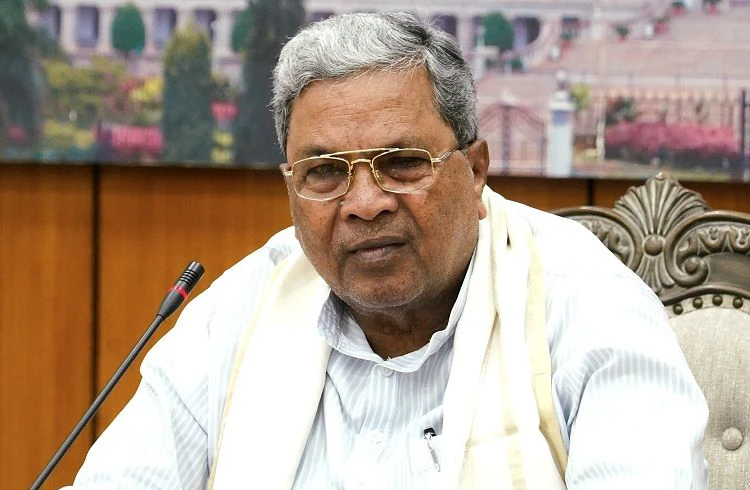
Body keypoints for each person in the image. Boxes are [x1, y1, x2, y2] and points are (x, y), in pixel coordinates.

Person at [69, 12, 708, 489]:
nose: (365, 202)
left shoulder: (590, 305)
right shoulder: (238, 313)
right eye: (324, 172)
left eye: (402, 163)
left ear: (475, 171)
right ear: (291, 189)